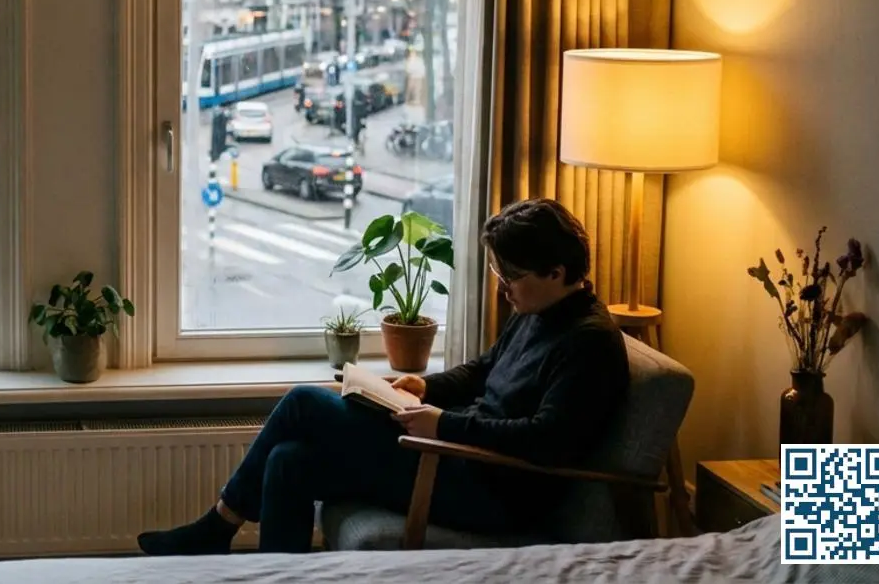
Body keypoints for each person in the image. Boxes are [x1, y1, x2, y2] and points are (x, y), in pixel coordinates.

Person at [137, 198, 631, 555]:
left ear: (558, 271)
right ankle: (257, 560)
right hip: (458, 457)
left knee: (304, 404)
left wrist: (444, 426)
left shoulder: (589, 342)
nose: (504, 291)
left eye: (512, 278)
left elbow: (547, 442)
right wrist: (426, 387)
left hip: (490, 488)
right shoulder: (538, 308)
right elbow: (484, 370)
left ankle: (215, 528)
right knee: (289, 461)